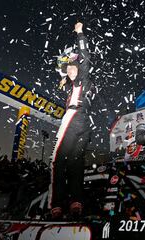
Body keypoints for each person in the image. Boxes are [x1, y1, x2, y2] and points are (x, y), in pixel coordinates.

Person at [48, 22, 94, 219]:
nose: (70, 72)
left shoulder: (82, 77)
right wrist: (65, 77)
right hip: (86, 124)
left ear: (79, 68)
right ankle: (76, 202)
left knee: (57, 160)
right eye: (68, 71)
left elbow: (85, 57)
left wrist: (80, 33)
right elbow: (69, 71)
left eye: (73, 70)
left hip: (74, 118)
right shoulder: (74, 83)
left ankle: (56, 204)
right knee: (75, 162)